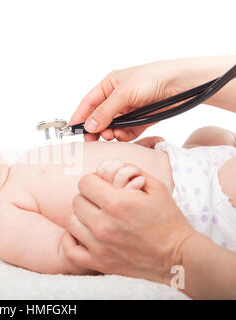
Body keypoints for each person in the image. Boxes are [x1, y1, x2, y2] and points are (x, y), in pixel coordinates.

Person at [0, 120, 234, 277]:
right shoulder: (1, 216)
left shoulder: (19, 166)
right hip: (190, 203)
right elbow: (69, 253)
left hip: (181, 162)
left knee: (207, 133)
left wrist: (135, 152)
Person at [62, 55, 236, 299]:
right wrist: (174, 82)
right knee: (210, 134)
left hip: (204, 212)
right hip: (211, 165)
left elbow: (65, 253)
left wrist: (175, 251)